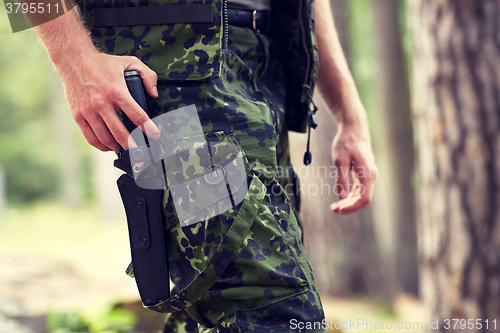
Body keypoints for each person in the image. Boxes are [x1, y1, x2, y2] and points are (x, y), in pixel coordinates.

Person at [32, 0, 377, 331]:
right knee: (273, 313)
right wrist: (73, 59)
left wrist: (350, 114)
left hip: (266, 76)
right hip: (173, 87)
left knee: (205, 317)